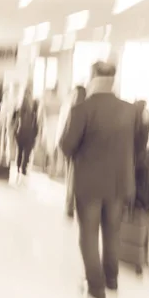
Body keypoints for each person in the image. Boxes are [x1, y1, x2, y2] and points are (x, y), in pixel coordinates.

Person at [59, 61, 138, 298]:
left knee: (90, 235)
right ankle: (111, 280)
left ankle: (96, 287)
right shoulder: (129, 110)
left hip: (90, 184)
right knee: (113, 233)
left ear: (93, 78)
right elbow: (140, 145)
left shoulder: (82, 110)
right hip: (119, 183)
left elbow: (67, 146)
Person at [57, 85, 87, 217]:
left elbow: (65, 128)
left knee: (71, 177)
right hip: (84, 151)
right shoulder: (86, 110)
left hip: (72, 149)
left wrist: (63, 145)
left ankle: (69, 205)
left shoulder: (72, 109)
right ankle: (76, 205)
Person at [13, 86, 40, 184]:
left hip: (23, 131)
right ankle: (22, 167)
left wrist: (15, 130)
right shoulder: (32, 106)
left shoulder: (23, 106)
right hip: (27, 132)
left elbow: (17, 120)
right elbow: (36, 120)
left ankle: (19, 167)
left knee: (21, 151)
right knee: (25, 151)